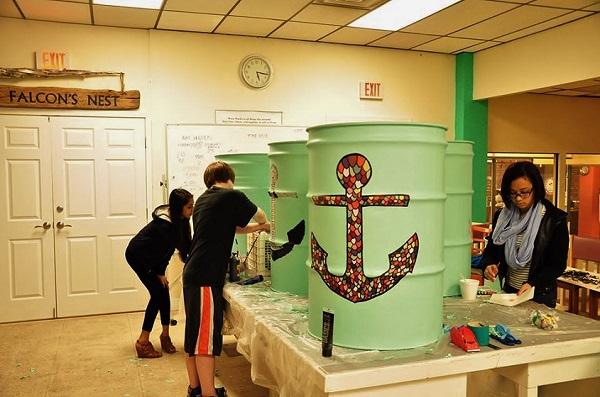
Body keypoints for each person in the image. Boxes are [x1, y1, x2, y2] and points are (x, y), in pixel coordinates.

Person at [183, 161, 270, 397]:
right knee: (206, 341)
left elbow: (234, 229)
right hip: (205, 276)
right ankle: (209, 394)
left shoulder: (203, 200)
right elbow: (259, 213)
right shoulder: (232, 196)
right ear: (229, 178)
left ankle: (196, 389)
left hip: (193, 273)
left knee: (194, 335)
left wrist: (262, 228)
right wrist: (265, 221)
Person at [481, 161, 568, 308]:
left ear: (537, 188)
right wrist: (488, 265)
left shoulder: (554, 220)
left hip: (539, 295)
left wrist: (533, 283)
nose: (519, 198)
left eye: (524, 192)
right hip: (509, 293)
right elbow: (492, 250)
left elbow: (557, 265)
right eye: (513, 193)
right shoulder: (502, 217)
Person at [126, 188, 194, 358]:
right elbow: (161, 253)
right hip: (138, 256)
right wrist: (159, 272)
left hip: (153, 258)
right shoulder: (164, 226)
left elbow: (183, 248)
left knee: (163, 293)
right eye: (189, 207)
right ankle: (142, 343)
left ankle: (165, 336)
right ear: (179, 208)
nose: (192, 210)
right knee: (157, 294)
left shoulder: (180, 220)